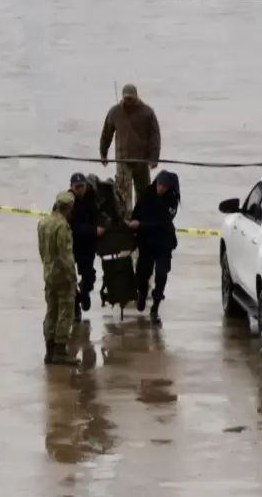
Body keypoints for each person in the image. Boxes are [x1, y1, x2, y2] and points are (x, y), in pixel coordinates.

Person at [99, 83, 161, 218]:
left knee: (144, 193)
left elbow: (155, 136)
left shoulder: (147, 112)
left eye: (131, 98)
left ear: (136, 96)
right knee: (123, 193)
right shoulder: (115, 112)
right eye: (126, 98)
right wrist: (103, 153)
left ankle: (142, 218)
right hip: (123, 160)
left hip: (142, 160)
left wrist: (154, 157)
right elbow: (106, 133)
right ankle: (125, 219)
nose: (128, 101)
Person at [128, 171, 179, 321]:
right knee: (142, 273)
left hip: (164, 242)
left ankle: (156, 305)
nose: (161, 188)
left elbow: (162, 223)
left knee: (161, 274)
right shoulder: (146, 195)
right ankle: (142, 294)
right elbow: (136, 214)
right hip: (146, 242)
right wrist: (132, 226)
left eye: (164, 186)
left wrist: (141, 225)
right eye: (159, 185)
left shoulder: (172, 200)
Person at [37, 191, 79, 366]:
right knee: (65, 311)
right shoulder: (62, 226)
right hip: (62, 274)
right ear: (69, 208)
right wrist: (72, 276)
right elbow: (65, 255)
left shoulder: (43, 222)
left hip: (48, 273)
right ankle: (60, 351)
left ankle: (49, 351)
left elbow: (41, 249)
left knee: (51, 310)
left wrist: (47, 267)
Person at [68, 173, 104, 320]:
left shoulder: (91, 198)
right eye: (77, 187)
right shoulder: (67, 202)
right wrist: (93, 230)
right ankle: (75, 306)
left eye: (82, 186)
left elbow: (99, 215)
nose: (80, 189)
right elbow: (72, 228)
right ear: (71, 187)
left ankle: (84, 292)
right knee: (69, 280)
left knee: (89, 276)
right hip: (71, 245)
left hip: (88, 246)